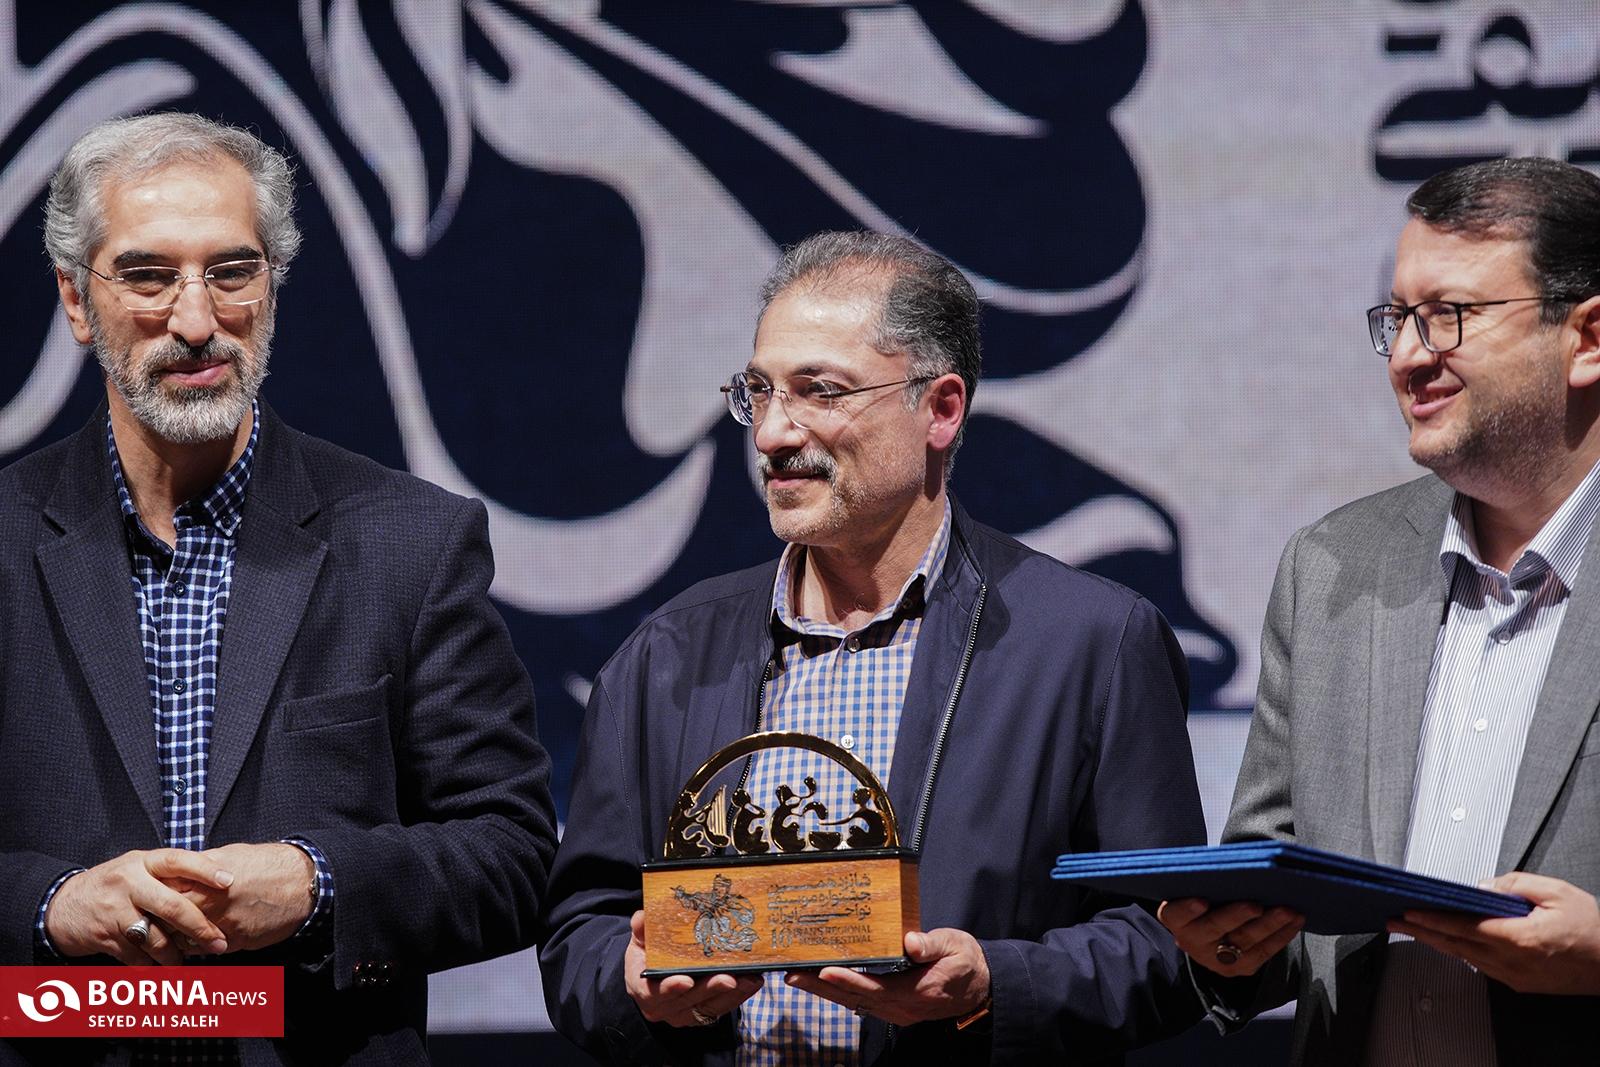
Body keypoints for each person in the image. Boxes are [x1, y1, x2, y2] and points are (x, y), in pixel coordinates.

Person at [540, 231, 1207, 1065]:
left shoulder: (1092, 643)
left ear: (941, 408)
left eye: (820, 391)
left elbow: (1173, 942)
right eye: (759, 391)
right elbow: (582, 933)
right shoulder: (665, 656)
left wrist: (993, 983)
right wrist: (634, 982)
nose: (771, 434)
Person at [0, 112, 556, 1064]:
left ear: (273, 283)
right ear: (77, 300)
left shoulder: (410, 542)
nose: (196, 321)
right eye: (148, 276)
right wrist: (51, 905)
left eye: (231, 271)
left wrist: (317, 883)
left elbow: (512, 851)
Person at [1158, 157, 1600, 1064]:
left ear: (1588, 338)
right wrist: (1227, 944)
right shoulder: (1331, 566)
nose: (1407, 355)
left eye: (1451, 314)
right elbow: (1276, 896)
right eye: (1398, 319)